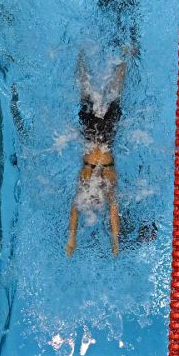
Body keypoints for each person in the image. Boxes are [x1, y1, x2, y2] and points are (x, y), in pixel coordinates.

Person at [66, 50, 129, 257]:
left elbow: (75, 209)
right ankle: (125, 56)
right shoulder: (110, 183)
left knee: (85, 90)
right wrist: (115, 241)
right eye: (96, 204)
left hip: (90, 132)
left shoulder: (84, 180)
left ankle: (80, 54)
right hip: (107, 134)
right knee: (115, 90)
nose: (93, 202)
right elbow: (113, 210)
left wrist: (72, 238)